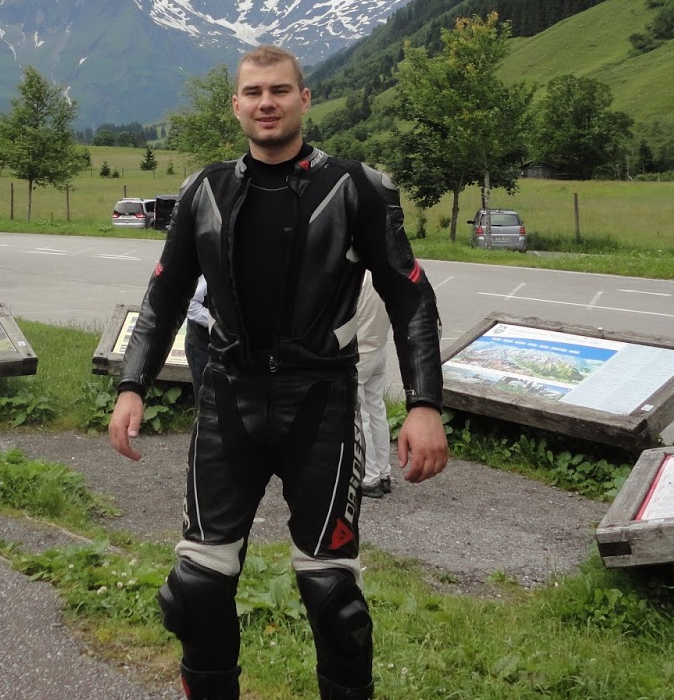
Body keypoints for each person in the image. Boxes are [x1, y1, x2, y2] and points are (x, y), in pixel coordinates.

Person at [108, 45, 447, 700]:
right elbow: (164, 297)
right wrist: (132, 386)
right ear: (236, 105)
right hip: (228, 400)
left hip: (319, 403)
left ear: (304, 99)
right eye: (255, 92)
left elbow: (411, 297)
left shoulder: (354, 188)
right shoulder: (205, 191)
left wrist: (424, 403)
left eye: (280, 90)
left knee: (334, 600)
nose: (267, 103)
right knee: (196, 588)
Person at [354, 275, 393, 498]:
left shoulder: (357, 276)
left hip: (358, 353)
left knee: (362, 418)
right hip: (378, 348)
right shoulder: (383, 274)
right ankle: (384, 471)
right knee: (377, 411)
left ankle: (370, 477)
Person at [184, 277, 213, 384]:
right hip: (204, 346)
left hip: (234, 345)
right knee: (207, 391)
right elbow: (190, 304)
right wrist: (219, 323)